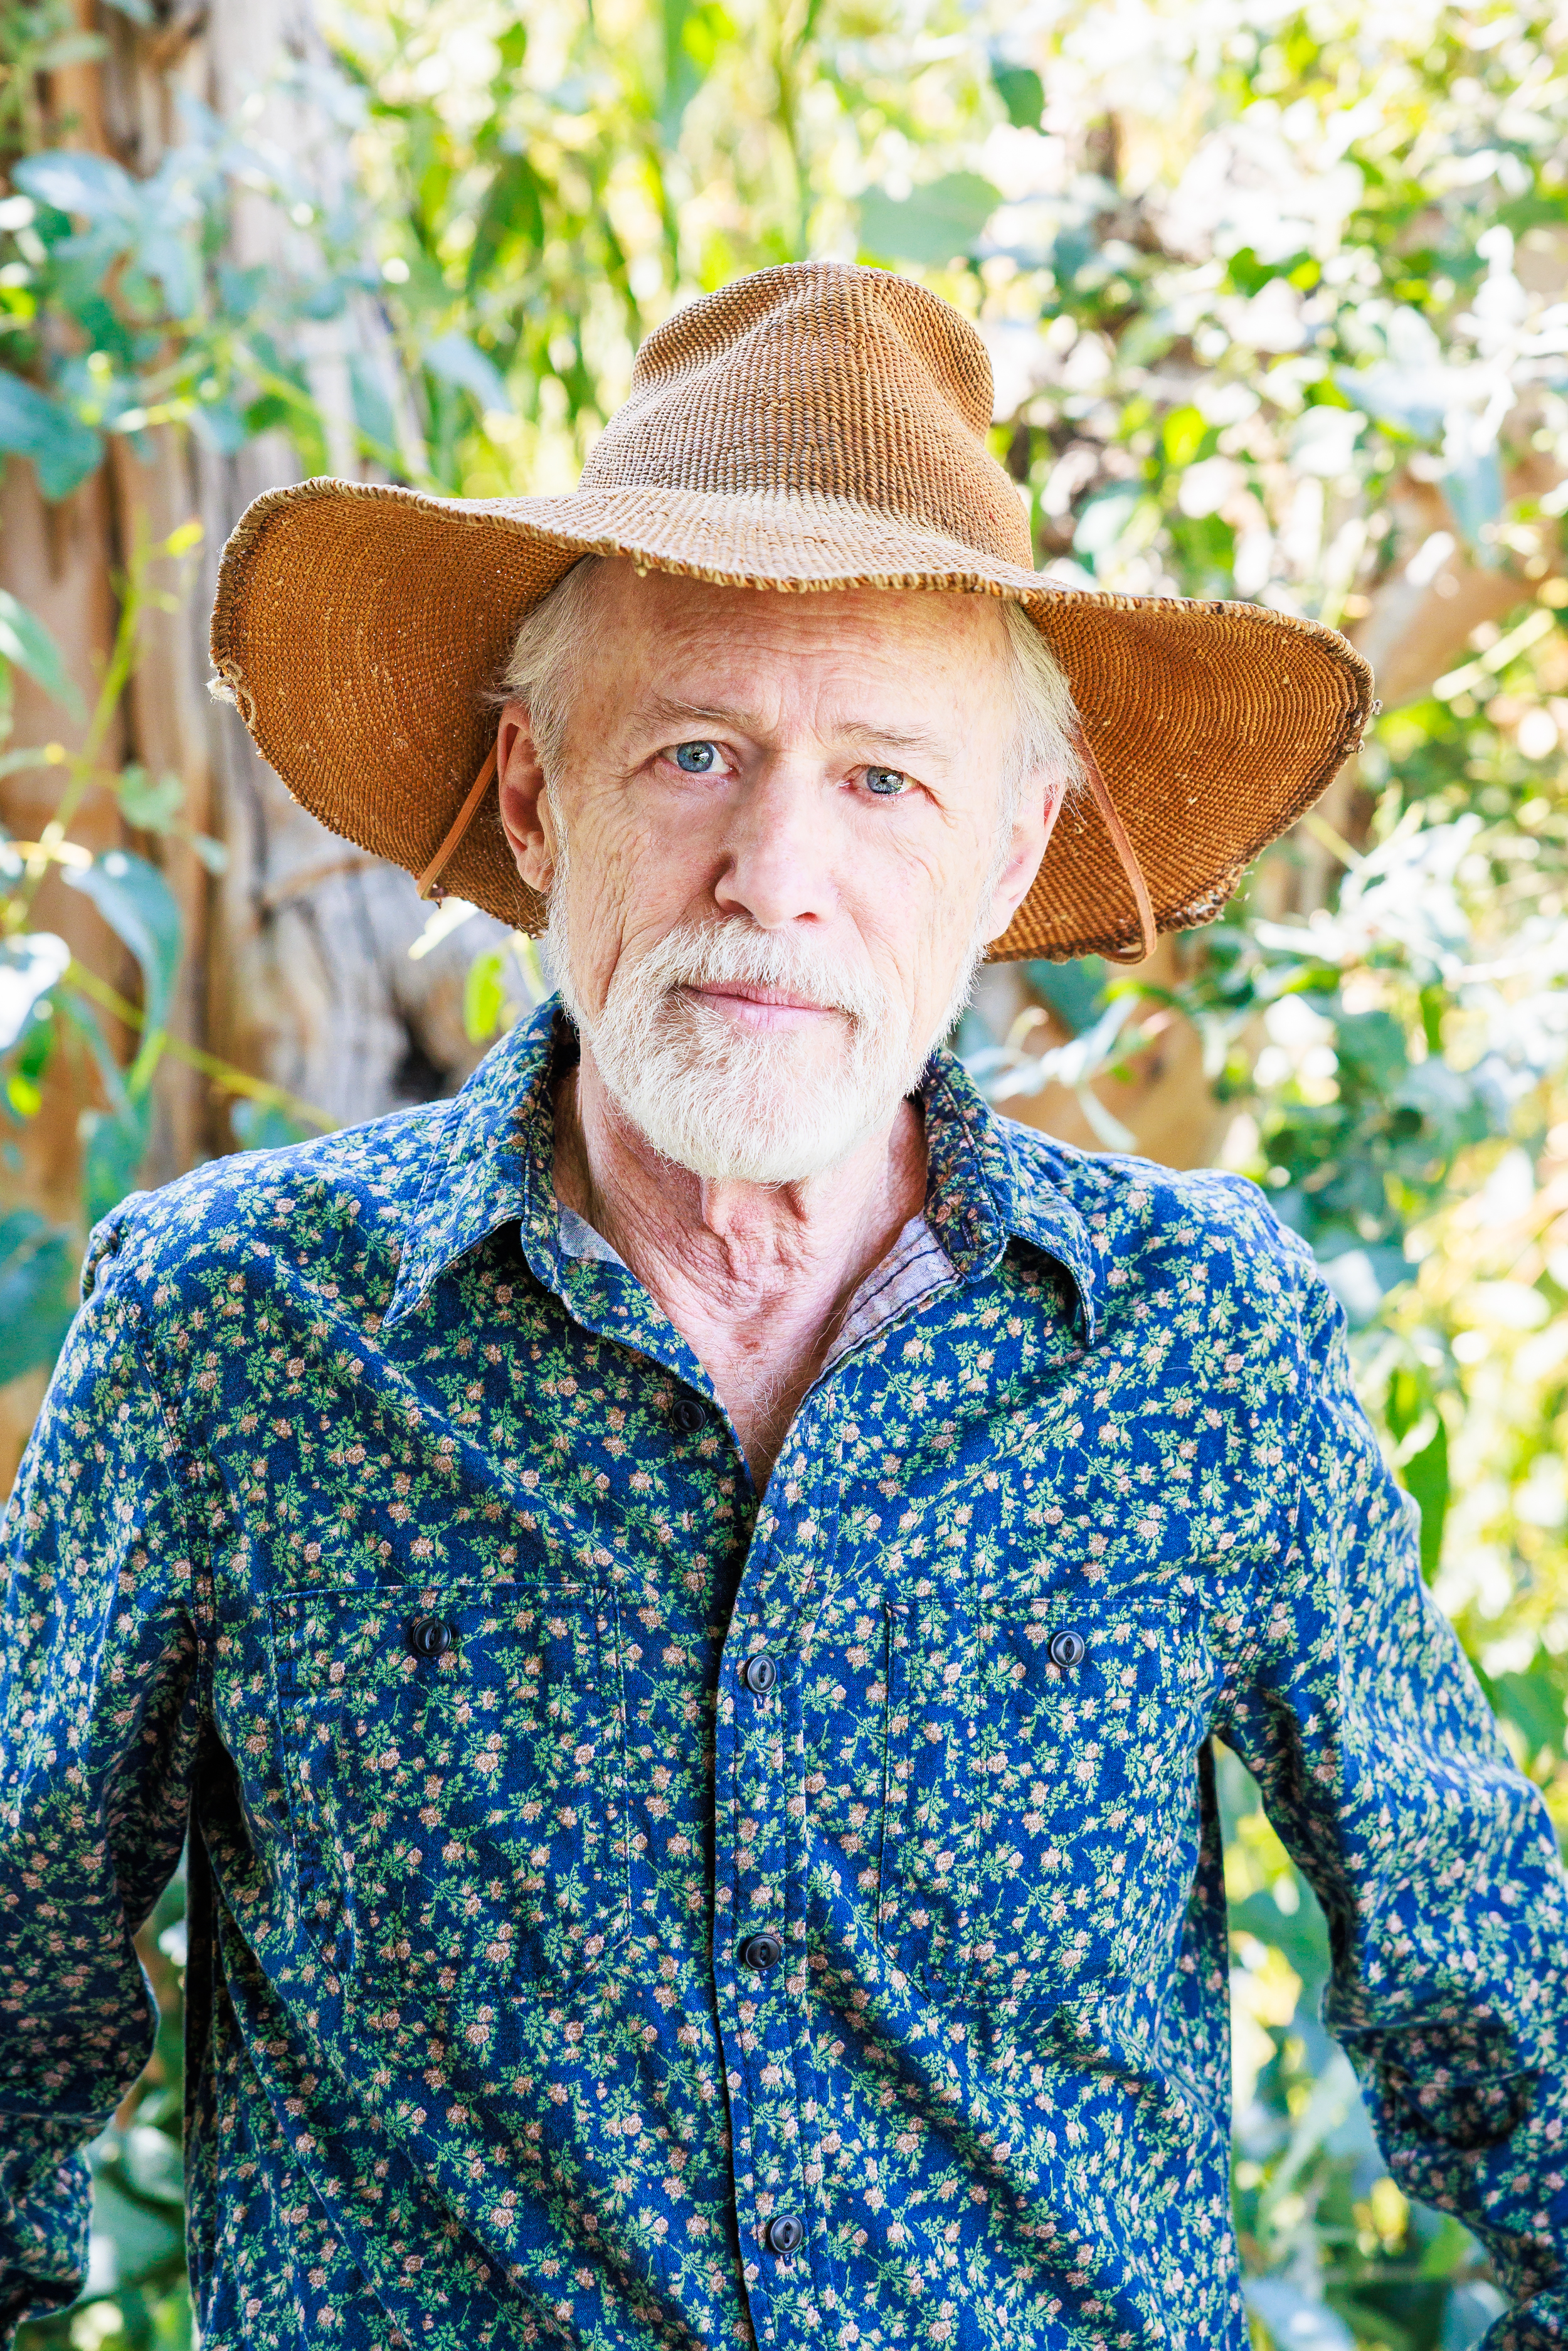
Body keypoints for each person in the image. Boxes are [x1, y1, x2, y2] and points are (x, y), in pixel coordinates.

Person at [3, 260, 1563, 2351]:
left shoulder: (1205, 1342)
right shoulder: (240, 1332)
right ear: (541, 794)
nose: (772, 874)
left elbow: (1497, 2005)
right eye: (695, 753)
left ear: (1012, 854)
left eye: (884, 783)